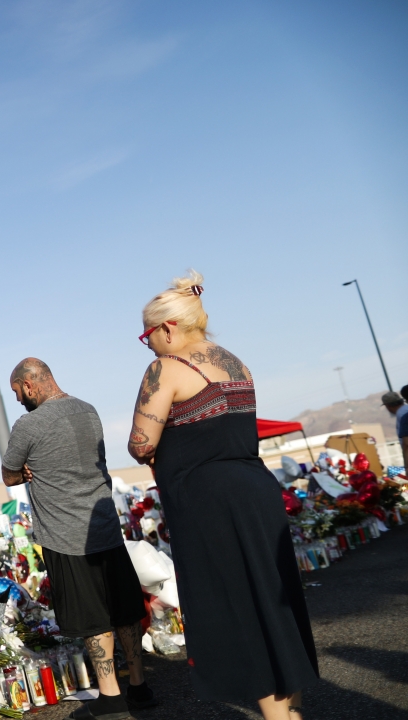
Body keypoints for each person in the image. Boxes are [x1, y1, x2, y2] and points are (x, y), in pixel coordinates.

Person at [127, 271, 317, 720]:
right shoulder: (236, 362)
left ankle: (276, 718)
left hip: (210, 501)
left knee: (239, 609)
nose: (148, 345)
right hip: (254, 489)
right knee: (273, 599)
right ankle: (291, 710)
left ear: (168, 328)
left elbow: (141, 443)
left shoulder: (165, 368)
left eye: (146, 335)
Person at [1, 358, 155, 720]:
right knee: (124, 609)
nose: (18, 399)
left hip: (65, 534)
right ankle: (139, 687)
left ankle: (111, 697)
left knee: (94, 618)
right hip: (104, 525)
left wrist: (25, 471)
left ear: (30, 384)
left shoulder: (28, 424)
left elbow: (9, 476)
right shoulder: (89, 410)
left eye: (17, 391)